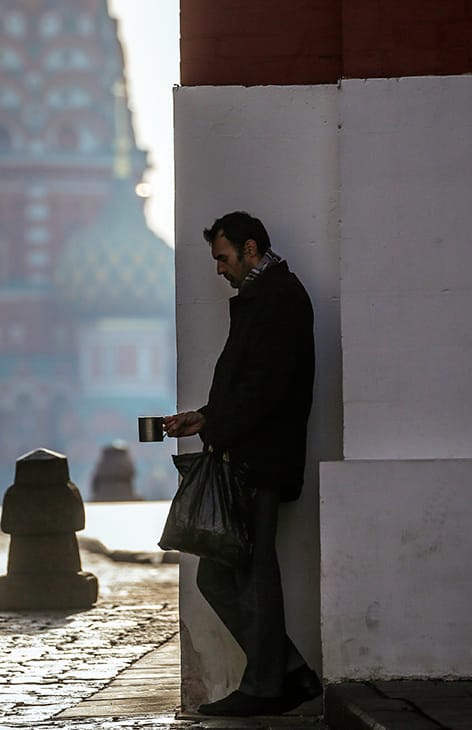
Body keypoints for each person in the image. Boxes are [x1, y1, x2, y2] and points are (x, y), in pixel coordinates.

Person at [162, 211, 322, 717]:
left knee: (251, 574)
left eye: (223, 257)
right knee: (223, 576)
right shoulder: (265, 297)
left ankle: (266, 685)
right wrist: (204, 417)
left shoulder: (280, 298)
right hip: (247, 455)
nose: (219, 268)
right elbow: (248, 385)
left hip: (258, 461)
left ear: (250, 249)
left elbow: (265, 390)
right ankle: (289, 674)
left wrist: (215, 426)